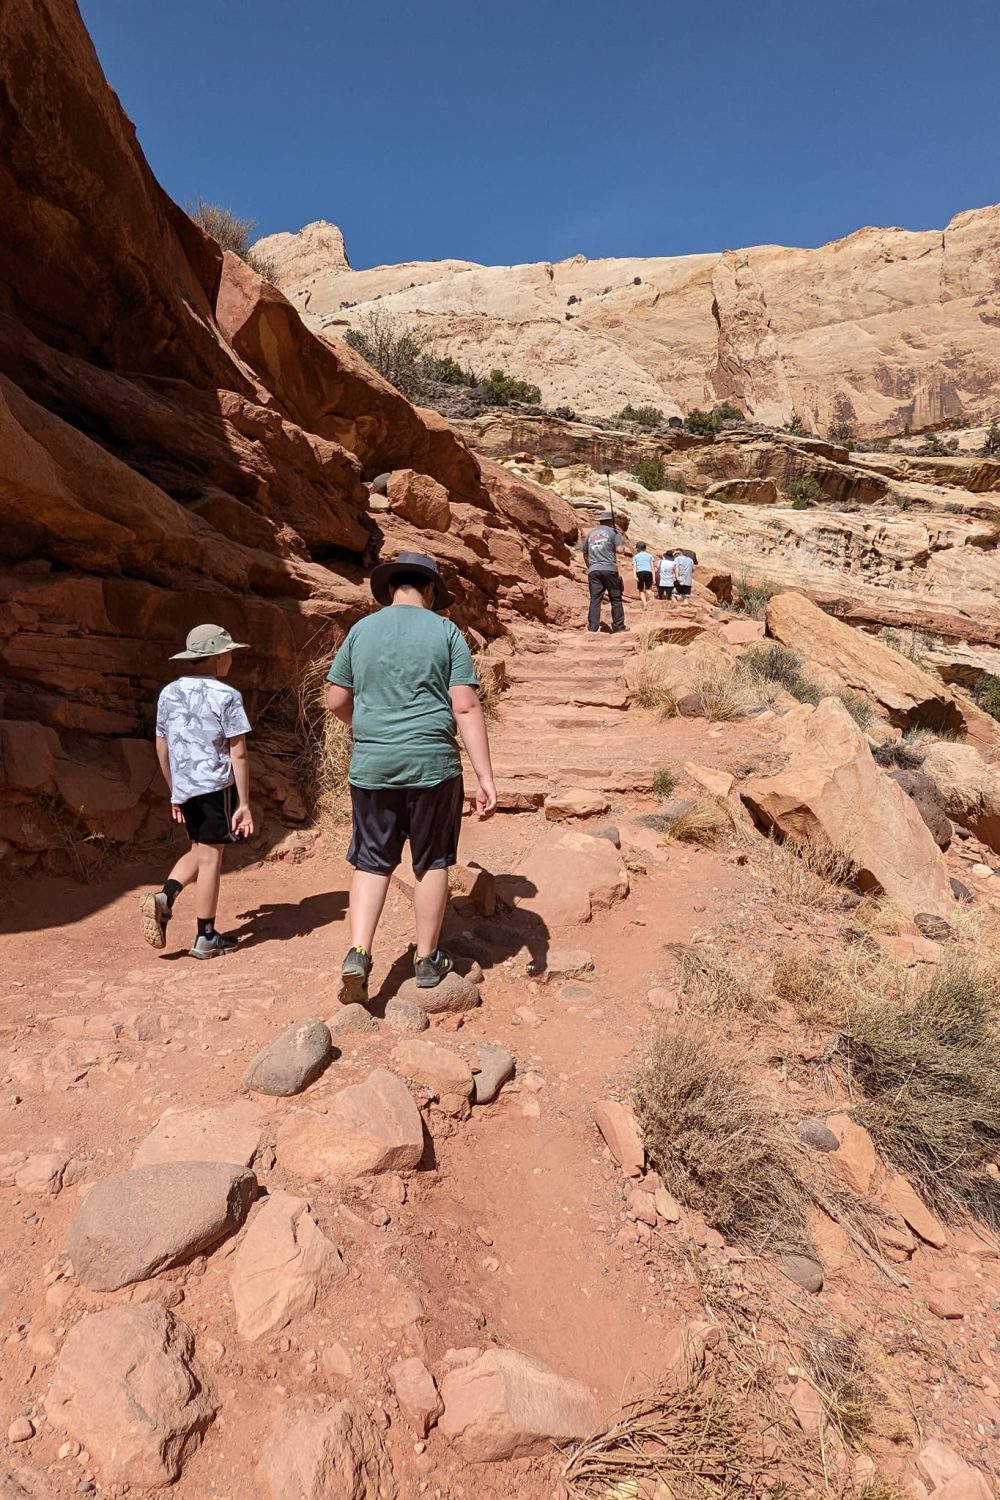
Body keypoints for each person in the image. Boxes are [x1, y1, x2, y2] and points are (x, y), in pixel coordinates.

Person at [326, 552, 498, 1004]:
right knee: (433, 860)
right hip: (432, 765)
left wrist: (369, 728)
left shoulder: (361, 631)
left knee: (371, 861)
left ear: (389, 590)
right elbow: (465, 706)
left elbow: (335, 699)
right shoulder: (446, 632)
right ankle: (426, 959)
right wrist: (485, 776)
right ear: (430, 591)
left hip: (372, 765)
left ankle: (359, 952)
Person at [140, 624, 254, 959]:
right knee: (212, 858)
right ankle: (206, 936)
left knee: (200, 848)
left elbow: (161, 744)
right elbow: (239, 752)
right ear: (218, 658)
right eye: (229, 653)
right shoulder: (227, 696)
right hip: (215, 786)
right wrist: (244, 802)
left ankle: (164, 898)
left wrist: (174, 789)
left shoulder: (169, 693)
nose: (231, 659)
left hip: (186, 786)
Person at [580, 510, 626, 633]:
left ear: (600, 521)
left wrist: (590, 566)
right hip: (610, 569)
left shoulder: (590, 534)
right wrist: (621, 544)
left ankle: (592, 627)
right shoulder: (614, 532)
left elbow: (585, 553)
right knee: (615, 599)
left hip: (594, 570)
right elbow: (620, 550)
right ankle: (619, 627)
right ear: (611, 521)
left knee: (595, 599)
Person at [632, 541, 655, 613]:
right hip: (648, 572)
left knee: (641, 590)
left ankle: (645, 604)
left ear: (637, 549)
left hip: (640, 572)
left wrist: (634, 576)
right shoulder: (649, 556)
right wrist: (654, 578)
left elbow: (635, 567)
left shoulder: (635, 556)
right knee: (649, 589)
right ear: (645, 548)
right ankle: (650, 604)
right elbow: (652, 567)